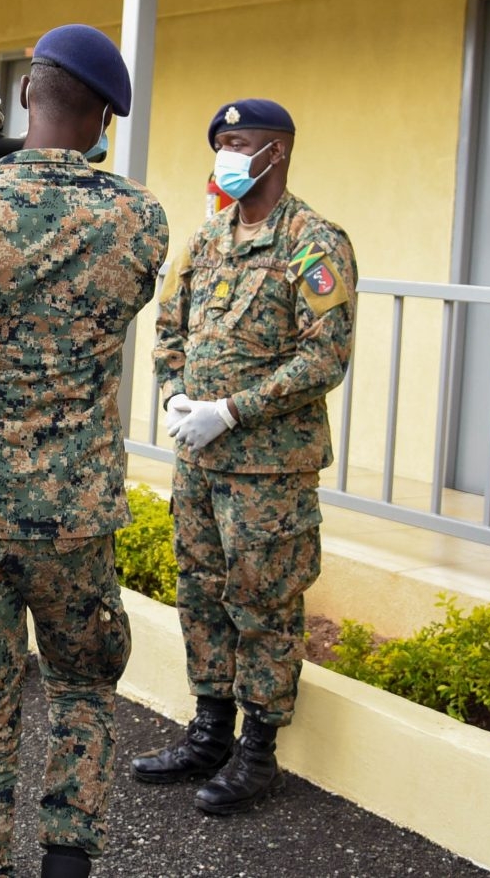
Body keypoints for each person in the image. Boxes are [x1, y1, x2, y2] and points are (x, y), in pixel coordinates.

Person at [0, 24, 169, 878]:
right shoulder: (141, 220)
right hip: (75, 513)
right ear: (102, 121)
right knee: (83, 690)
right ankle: (66, 864)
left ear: (23, 98)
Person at [134, 99, 356, 815]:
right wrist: (173, 393)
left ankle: (258, 751)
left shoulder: (312, 241)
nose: (225, 153)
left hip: (267, 468)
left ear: (277, 152)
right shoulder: (205, 242)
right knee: (200, 588)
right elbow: (169, 326)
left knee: (262, 600)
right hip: (197, 461)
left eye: (239, 142)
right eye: (220, 142)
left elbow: (326, 354)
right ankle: (208, 730)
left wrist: (232, 410)